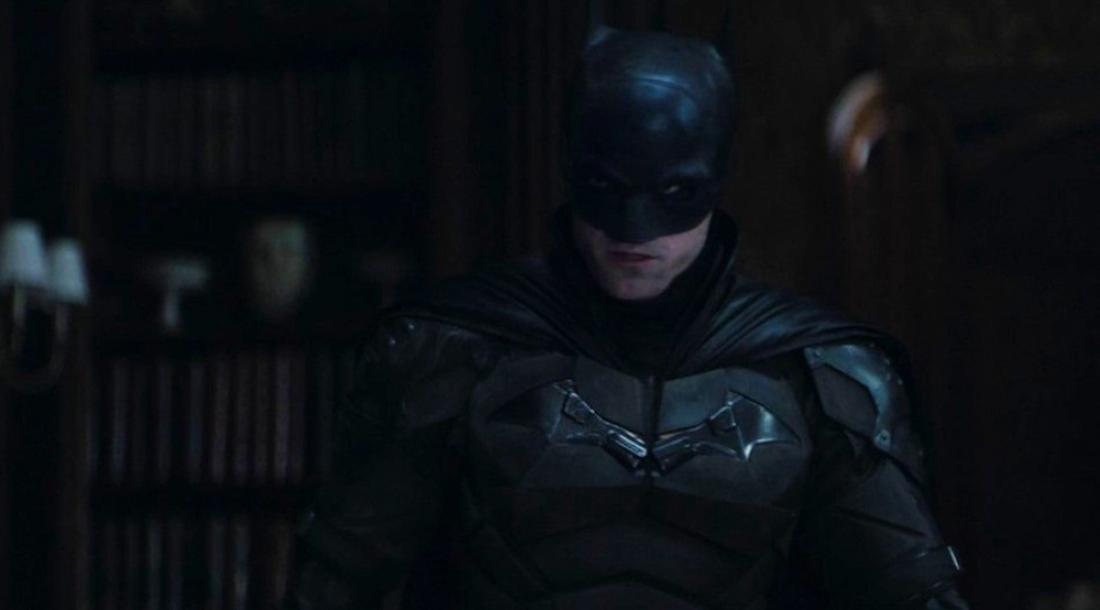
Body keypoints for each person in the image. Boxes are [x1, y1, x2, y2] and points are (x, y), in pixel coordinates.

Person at [289, 26, 970, 610]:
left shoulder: (821, 373)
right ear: (571, 171)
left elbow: (912, 594)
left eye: (672, 192)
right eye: (607, 189)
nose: (634, 230)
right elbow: (336, 583)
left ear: (715, 180)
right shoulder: (452, 350)